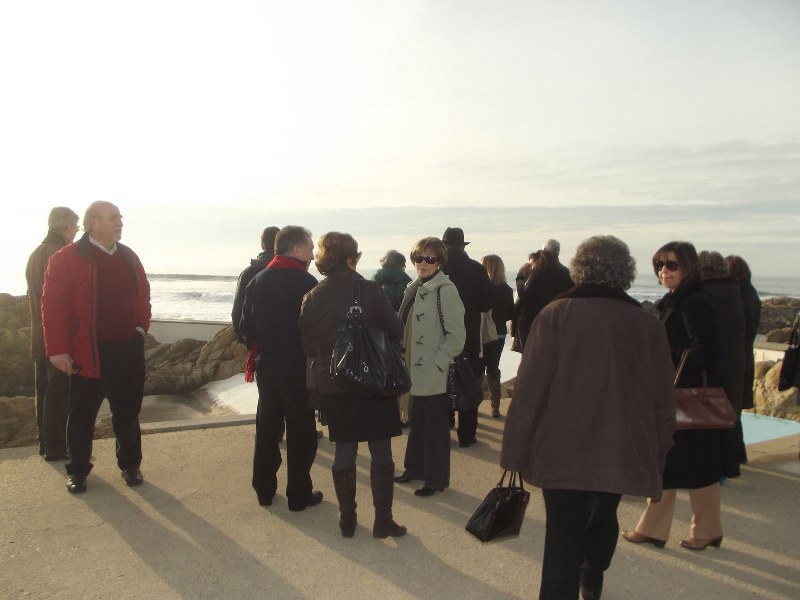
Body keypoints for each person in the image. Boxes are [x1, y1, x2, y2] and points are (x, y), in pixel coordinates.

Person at [501, 235, 675, 600]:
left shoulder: (555, 315)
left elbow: (530, 390)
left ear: (579, 269)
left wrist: (516, 449)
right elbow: (662, 395)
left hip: (561, 443)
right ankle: (593, 574)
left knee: (563, 531)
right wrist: (660, 447)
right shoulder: (646, 324)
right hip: (619, 442)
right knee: (603, 515)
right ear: (625, 272)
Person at [623, 241, 740, 552]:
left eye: (671, 264)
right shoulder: (677, 299)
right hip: (681, 397)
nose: (664, 270)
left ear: (688, 267)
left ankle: (667, 529)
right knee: (692, 467)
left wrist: (664, 355)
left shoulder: (692, 302)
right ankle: (701, 530)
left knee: (674, 465)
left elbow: (706, 351)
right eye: (660, 264)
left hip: (684, 396)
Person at [300, 232, 406, 538]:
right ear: (351, 257)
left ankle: (348, 519)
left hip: (333, 384)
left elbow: (307, 345)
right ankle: (382, 521)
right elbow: (396, 328)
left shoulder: (312, 296)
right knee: (381, 452)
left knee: (344, 452)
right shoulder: (369, 289)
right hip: (371, 381)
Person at [41, 201, 151, 494]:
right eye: (113, 218)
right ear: (93, 223)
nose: (119, 223)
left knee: (127, 411)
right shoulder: (67, 258)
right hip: (88, 351)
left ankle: (130, 464)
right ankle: (77, 470)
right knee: (82, 414)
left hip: (127, 348)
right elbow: (53, 307)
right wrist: (58, 349)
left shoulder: (129, 256)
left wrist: (140, 329)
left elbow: (143, 296)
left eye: (120, 218)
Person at [240, 225, 322, 511]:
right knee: (301, 433)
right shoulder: (306, 283)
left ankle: (264, 489)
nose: (313, 254)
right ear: (296, 249)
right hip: (297, 368)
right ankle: (299, 495)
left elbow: (244, 326)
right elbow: (316, 329)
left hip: (268, 366)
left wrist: (263, 349)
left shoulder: (258, 280)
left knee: (267, 429)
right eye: (310, 247)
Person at [394, 237, 465, 496]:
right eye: (418, 258)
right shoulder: (414, 287)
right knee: (417, 421)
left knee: (435, 429)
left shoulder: (446, 290)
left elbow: (457, 336)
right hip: (413, 368)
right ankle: (414, 469)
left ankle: (436, 480)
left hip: (433, 371)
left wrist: (439, 363)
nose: (423, 263)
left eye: (430, 259)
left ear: (440, 261)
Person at [26, 206, 80, 461]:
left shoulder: (36, 253)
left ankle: (45, 443)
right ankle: (56, 447)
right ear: (68, 227)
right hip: (57, 336)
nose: (77, 233)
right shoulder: (61, 254)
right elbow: (64, 301)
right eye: (76, 227)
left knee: (44, 391)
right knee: (59, 394)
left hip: (38, 332)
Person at [440, 227, 493, 447]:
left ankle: (444, 427)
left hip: (440, 335)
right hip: (468, 336)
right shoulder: (476, 269)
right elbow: (488, 302)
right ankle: (466, 435)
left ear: (445, 246)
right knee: (469, 383)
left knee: (441, 384)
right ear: (463, 246)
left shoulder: (437, 268)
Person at [698, 251, 746, 468]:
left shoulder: (700, 294)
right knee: (726, 421)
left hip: (707, 373)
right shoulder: (735, 292)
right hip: (733, 367)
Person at [726, 254, 762, 464]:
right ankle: (738, 454)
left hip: (736, 359)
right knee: (735, 410)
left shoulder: (737, 298)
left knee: (730, 411)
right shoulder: (752, 295)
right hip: (746, 356)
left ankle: (733, 456)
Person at [513, 249, 573, 350]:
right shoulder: (564, 274)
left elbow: (524, 295)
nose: (530, 267)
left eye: (532, 263)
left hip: (537, 323)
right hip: (560, 322)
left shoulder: (538, 278)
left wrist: (520, 275)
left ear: (538, 262)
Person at [479, 254, 514, 418]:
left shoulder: (482, 288)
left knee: (478, 367)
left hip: (481, 331)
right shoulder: (506, 289)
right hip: (499, 333)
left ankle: (474, 406)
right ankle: (495, 406)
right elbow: (510, 313)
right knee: (493, 367)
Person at [232, 226, 279, 344]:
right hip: (284, 343)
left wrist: (245, 340)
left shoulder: (248, 273)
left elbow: (237, 311)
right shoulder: (292, 273)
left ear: (262, 245)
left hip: (255, 342)